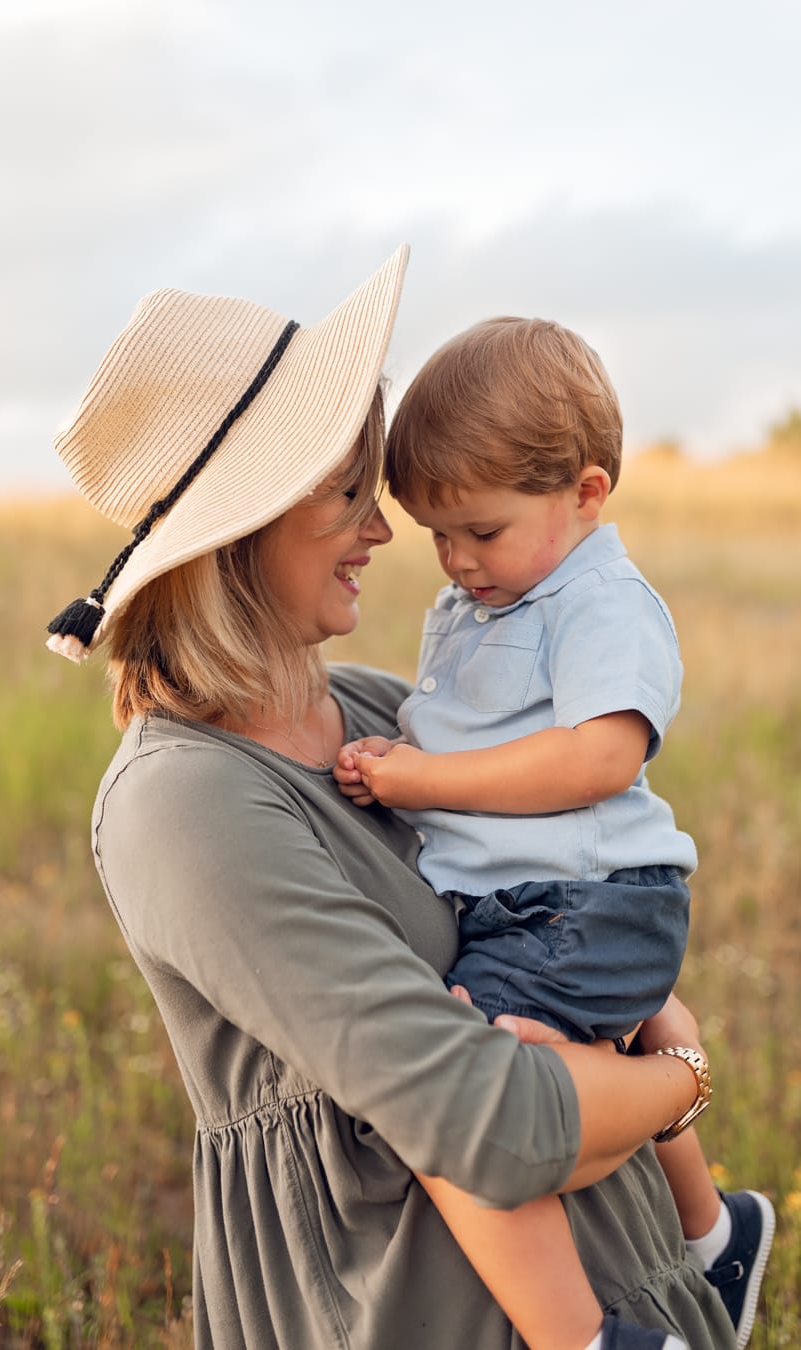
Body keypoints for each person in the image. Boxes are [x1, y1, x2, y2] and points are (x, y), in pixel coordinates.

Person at [46, 247, 736, 1350]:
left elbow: (564, 897)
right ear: (241, 529)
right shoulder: (183, 805)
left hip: (632, 1276)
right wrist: (679, 1078)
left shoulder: (376, 711)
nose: (381, 531)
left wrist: (620, 1082)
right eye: (346, 494)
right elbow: (495, 1126)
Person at [334, 315, 775, 1350]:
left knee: (461, 1103)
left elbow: (598, 759)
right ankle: (714, 1238)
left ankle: (587, 1339)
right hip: (534, 902)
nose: (454, 560)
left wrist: (420, 778)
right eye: (436, 534)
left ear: (585, 493)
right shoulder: (491, 595)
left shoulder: (601, 602)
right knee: (505, 1080)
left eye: (480, 532)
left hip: (581, 902)